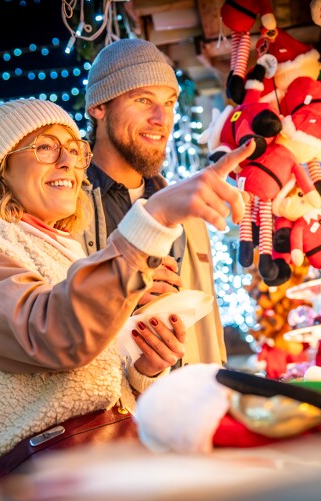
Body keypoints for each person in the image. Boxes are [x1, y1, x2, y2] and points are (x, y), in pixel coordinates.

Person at [0, 97, 253, 501]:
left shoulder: (70, 253)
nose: (68, 160)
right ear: (1, 168)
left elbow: (90, 380)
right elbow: (54, 335)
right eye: (46, 146)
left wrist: (144, 362)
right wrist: (152, 219)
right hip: (26, 497)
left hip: (106, 475)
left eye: (75, 148)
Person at [78, 38, 228, 366]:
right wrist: (118, 298)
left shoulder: (187, 214)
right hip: (110, 410)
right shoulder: (65, 208)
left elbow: (208, 327)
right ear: (99, 107)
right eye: (143, 100)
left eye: (170, 102)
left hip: (186, 403)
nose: (162, 118)